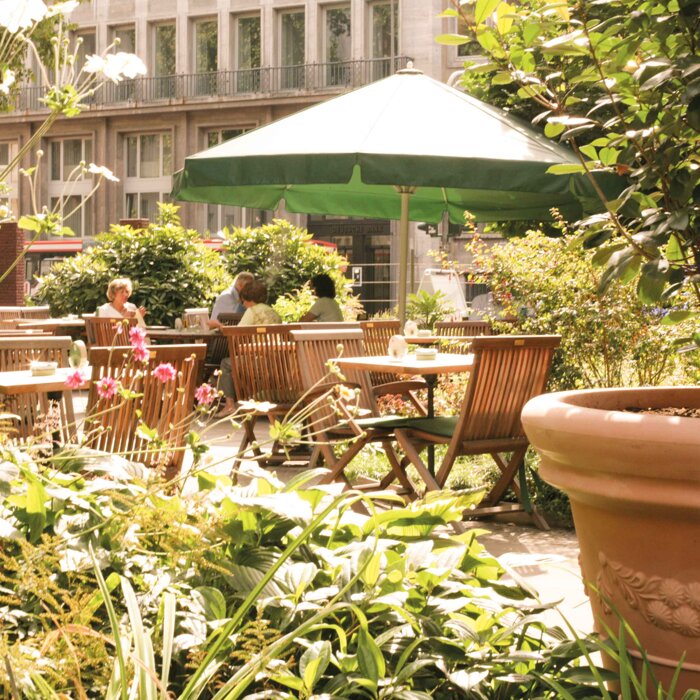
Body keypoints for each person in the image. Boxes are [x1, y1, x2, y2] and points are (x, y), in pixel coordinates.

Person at [216, 280, 281, 417]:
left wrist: (219, 325)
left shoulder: (252, 311)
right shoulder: (274, 313)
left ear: (250, 299)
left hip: (258, 361)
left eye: (244, 300)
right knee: (236, 361)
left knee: (226, 363)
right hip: (277, 362)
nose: (243, 304)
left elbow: (237, 334)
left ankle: (229, 405)